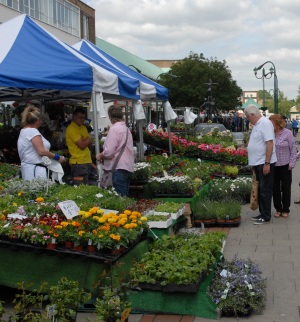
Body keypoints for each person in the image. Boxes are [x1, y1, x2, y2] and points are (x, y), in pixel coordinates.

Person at [244, 104, 277, 225]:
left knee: (265, 190)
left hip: (264, 162)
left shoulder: (265, 123)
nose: (248, 119)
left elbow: (269, 143)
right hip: (258, 162)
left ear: (253, 115)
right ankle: (262, 213)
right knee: (260, 189)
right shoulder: (258, 124)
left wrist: (267, 163)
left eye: (248, 117)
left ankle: (266, 216)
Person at [17, 105, 65, 181]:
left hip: (29, 169)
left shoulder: (24, 131)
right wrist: (57, 157)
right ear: (38, 121)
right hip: (35, 171)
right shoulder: (32, 131)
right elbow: (41, 151)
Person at [96, 105, 134, 196]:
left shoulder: (115, 129)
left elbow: (109, 152)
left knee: (119, 199)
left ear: (110, 117)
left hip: (118, 169)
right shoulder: (126, 129)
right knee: (124, 198)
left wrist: (100, 155)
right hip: (127, 167)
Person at [269, 114, 297, 218]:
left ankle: (286, 209)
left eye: (272, 122)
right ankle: (278, 209)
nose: (270, 124)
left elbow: (293, 149)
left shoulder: (287, 133)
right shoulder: (270, 133)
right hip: (273, 164)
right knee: (275, 188)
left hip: (285, 165)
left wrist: (292, 163)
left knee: (286, 187)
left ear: (277, 122)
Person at [65, 108, 98, 185]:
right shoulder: (71, 128)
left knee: (93, 186)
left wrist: (86, 140)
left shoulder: (83, 128)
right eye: (80, 117)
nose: (83, 120)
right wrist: (87, 140)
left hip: (87, 161)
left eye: (84, 117)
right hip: (78, 163)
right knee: (81, 187)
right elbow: (82, 145)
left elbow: (89, 143)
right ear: (74, 117)